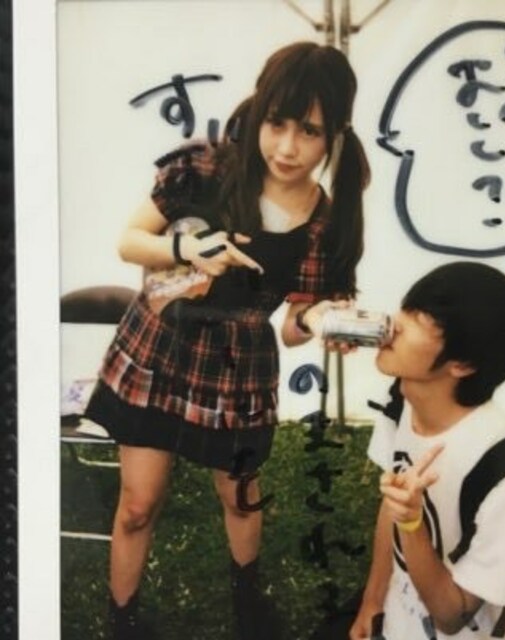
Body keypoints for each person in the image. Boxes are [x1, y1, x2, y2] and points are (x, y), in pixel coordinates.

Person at [84, 41, 370, 640]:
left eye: (310, 132)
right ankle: (122, 619)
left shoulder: (327, 220)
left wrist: (320, 321)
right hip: (159, 346)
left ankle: (247, 599)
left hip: (239, 365)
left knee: (240, 498)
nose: (287, 147)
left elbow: (292, 324)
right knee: (138, 504)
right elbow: (130, 241)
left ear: (335, 135)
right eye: (277, 123)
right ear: (260, 111)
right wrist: (188, 248)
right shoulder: (205, 166)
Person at [350, 262, 505, 640]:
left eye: (422, 319)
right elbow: (392, 505)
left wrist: (412, 522)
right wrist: (372, 603)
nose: (395, 324)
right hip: (397, 621)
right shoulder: (400, 400)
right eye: (407, 308)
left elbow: (451, 616)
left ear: (463, 364)